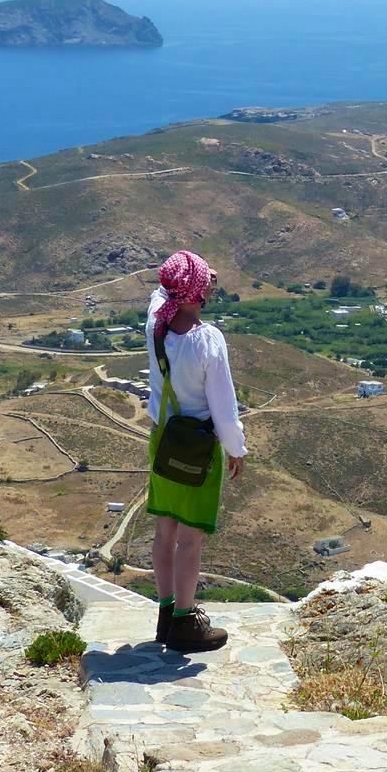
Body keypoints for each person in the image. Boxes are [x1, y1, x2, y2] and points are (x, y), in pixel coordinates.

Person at [144, 250, 246, 652]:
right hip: (199, 448)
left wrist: (187, 279)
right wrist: (236, 449)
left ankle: (167, 612)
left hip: (162, 439)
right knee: (191, 537)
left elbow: (161, 293)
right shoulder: (208, 341)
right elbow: (224, 405)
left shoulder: (155, 323)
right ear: (199, 291)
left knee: (165, 529)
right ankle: (186, 623)